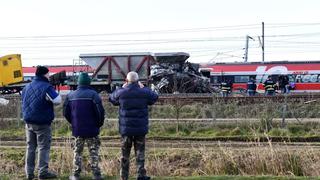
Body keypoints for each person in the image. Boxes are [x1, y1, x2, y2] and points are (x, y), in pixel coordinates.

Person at [109, 71, 158, 180]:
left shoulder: (122, 92)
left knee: (125, 154)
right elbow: (154, 97)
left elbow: (112, 99)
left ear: (126, 81)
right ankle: (141, 175)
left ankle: (124, 176)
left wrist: (121, 88)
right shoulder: (144, 92)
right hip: (140, 129)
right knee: (140, 154)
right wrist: (144, 88)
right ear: (138, 81)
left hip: (126, 129)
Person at [22, 66, 62, 180]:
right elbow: (57, 100)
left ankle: (29, 173)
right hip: (42, 123)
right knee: (43, 147)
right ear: (45, 74)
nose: (49, 76)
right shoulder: (47, 87)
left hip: (28, 122)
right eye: (48, 74)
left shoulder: (27, 86)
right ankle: (42, 172)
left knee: (30, 147)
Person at [63, 73, 105, 180]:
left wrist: (73, 122)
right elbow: (100, 112)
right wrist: (99, 124)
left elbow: (65, 113)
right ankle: (96, 175)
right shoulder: (94, 95)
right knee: (93, 152)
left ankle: (76, 175)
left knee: (77, 152)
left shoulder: (70, 95)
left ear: (78, 82)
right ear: (89, 82)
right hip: (92, 129)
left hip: (77, 129)